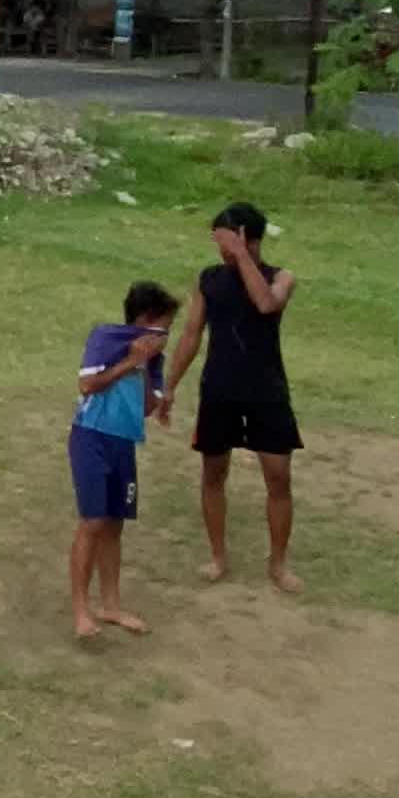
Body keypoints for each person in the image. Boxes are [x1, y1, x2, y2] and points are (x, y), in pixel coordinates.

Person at [163, 200, 303, 595]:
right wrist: (171, 385)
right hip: (219, 389)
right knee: (213, 474)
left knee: (278, 478)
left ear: (246, 238)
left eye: (224, 240)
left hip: (267, 392)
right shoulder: (209, 279)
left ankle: (278, 563)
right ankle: (219, 555)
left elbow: (265, 304)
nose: (219, 249)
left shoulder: (281, 277)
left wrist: (242, 256)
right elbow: (191, 334)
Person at [67, 282, 178, 642]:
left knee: (115, 524)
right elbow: (87, 385)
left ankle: (110, 605)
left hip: (123, 443)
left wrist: (144, 368)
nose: (167, 337)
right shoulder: (105, 338)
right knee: (93, 522)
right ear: (145, 321)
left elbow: (147, 408)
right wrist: (129, 361)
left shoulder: (154, 360)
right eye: (165, 328)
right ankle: (82, 610)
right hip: (91, 437)